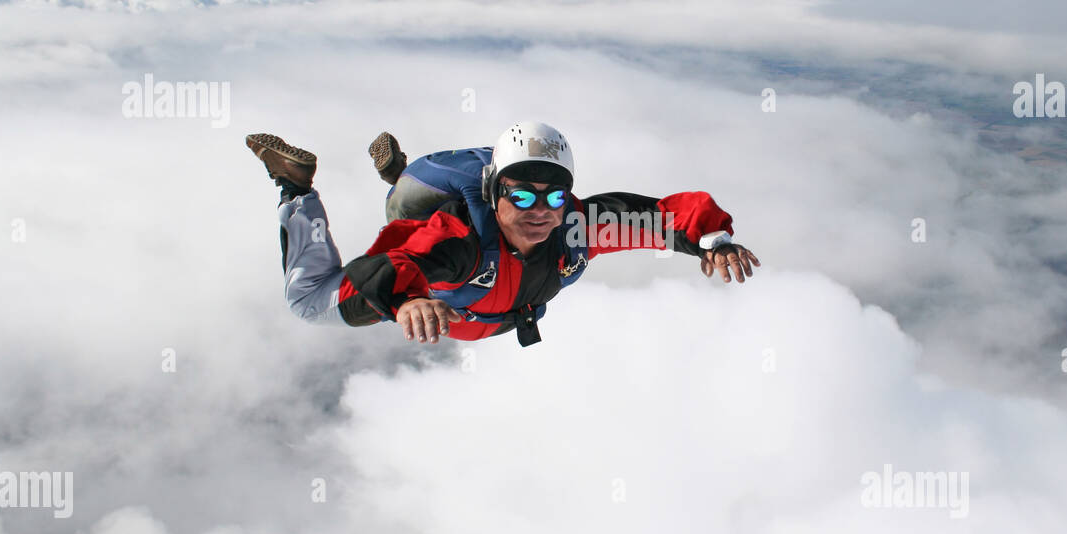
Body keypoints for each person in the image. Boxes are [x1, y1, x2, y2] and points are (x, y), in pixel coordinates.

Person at [245, 122, 759, 346]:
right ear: (495, 195)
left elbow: (660, 217)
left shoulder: (577, 228)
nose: (540, 211)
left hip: (487, 317)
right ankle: (295, 188)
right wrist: (406, 301)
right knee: (307, 302)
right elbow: (389, 265)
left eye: (555, 195)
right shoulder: (461, 244)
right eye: (522, 195)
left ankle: (400, 177)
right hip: (459, 299)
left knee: (401, 207)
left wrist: (712, 241)